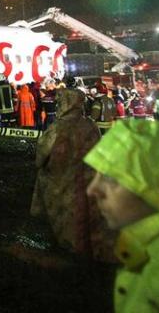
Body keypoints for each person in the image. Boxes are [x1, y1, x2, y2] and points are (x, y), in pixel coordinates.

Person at [84, 120, 159, 312]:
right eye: (96, 175)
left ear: (157, 186)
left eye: (111, 179)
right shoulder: (147, 246)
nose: (92, 190)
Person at [31, 88, 115, 261]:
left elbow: (43, 152)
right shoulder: (89, 125)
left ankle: (69, 247)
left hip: (62, 178)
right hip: (87, 176)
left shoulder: (57, 127)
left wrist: (41, 165)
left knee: (66, 213)